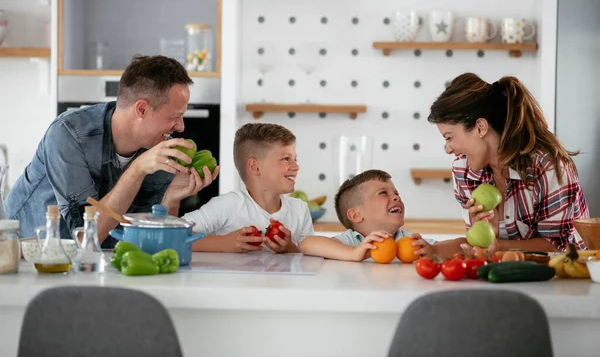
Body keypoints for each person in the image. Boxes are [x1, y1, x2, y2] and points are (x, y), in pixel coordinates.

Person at [5, 55, 218, 246]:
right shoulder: (69, 134)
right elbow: (84, 238)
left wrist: (171, 198)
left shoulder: (160, 150)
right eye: (174, 117)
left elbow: (146, 240)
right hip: (22, 254)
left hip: (90, 263)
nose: (181, 127)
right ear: (142, 109)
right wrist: (137, 169)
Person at [428, 73, 589, 253]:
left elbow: (561, 247)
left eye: (449, 138)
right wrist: (488, 234)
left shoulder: (546, 167)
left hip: (568, 277)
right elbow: (480, 249)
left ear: (481, 127)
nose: (449, 149)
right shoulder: (463, 170)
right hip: (505, 275)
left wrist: (500, 246)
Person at [185, 123, 314, 253]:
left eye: (295, 159)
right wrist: (222, 243)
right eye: (286, 159)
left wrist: (291, 249)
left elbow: (311, 260)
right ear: (254, 167)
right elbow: (173, 234)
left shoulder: (300, 210)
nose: (296, 167)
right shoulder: (229, 205)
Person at [299, 169, 465, 261]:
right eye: (383, 193)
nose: (396, 197)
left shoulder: (407, 241)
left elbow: (464, 245)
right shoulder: (352, 242)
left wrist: (433, 250)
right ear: (356, 215)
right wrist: (353, 253)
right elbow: (307, 243)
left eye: (396, 192)